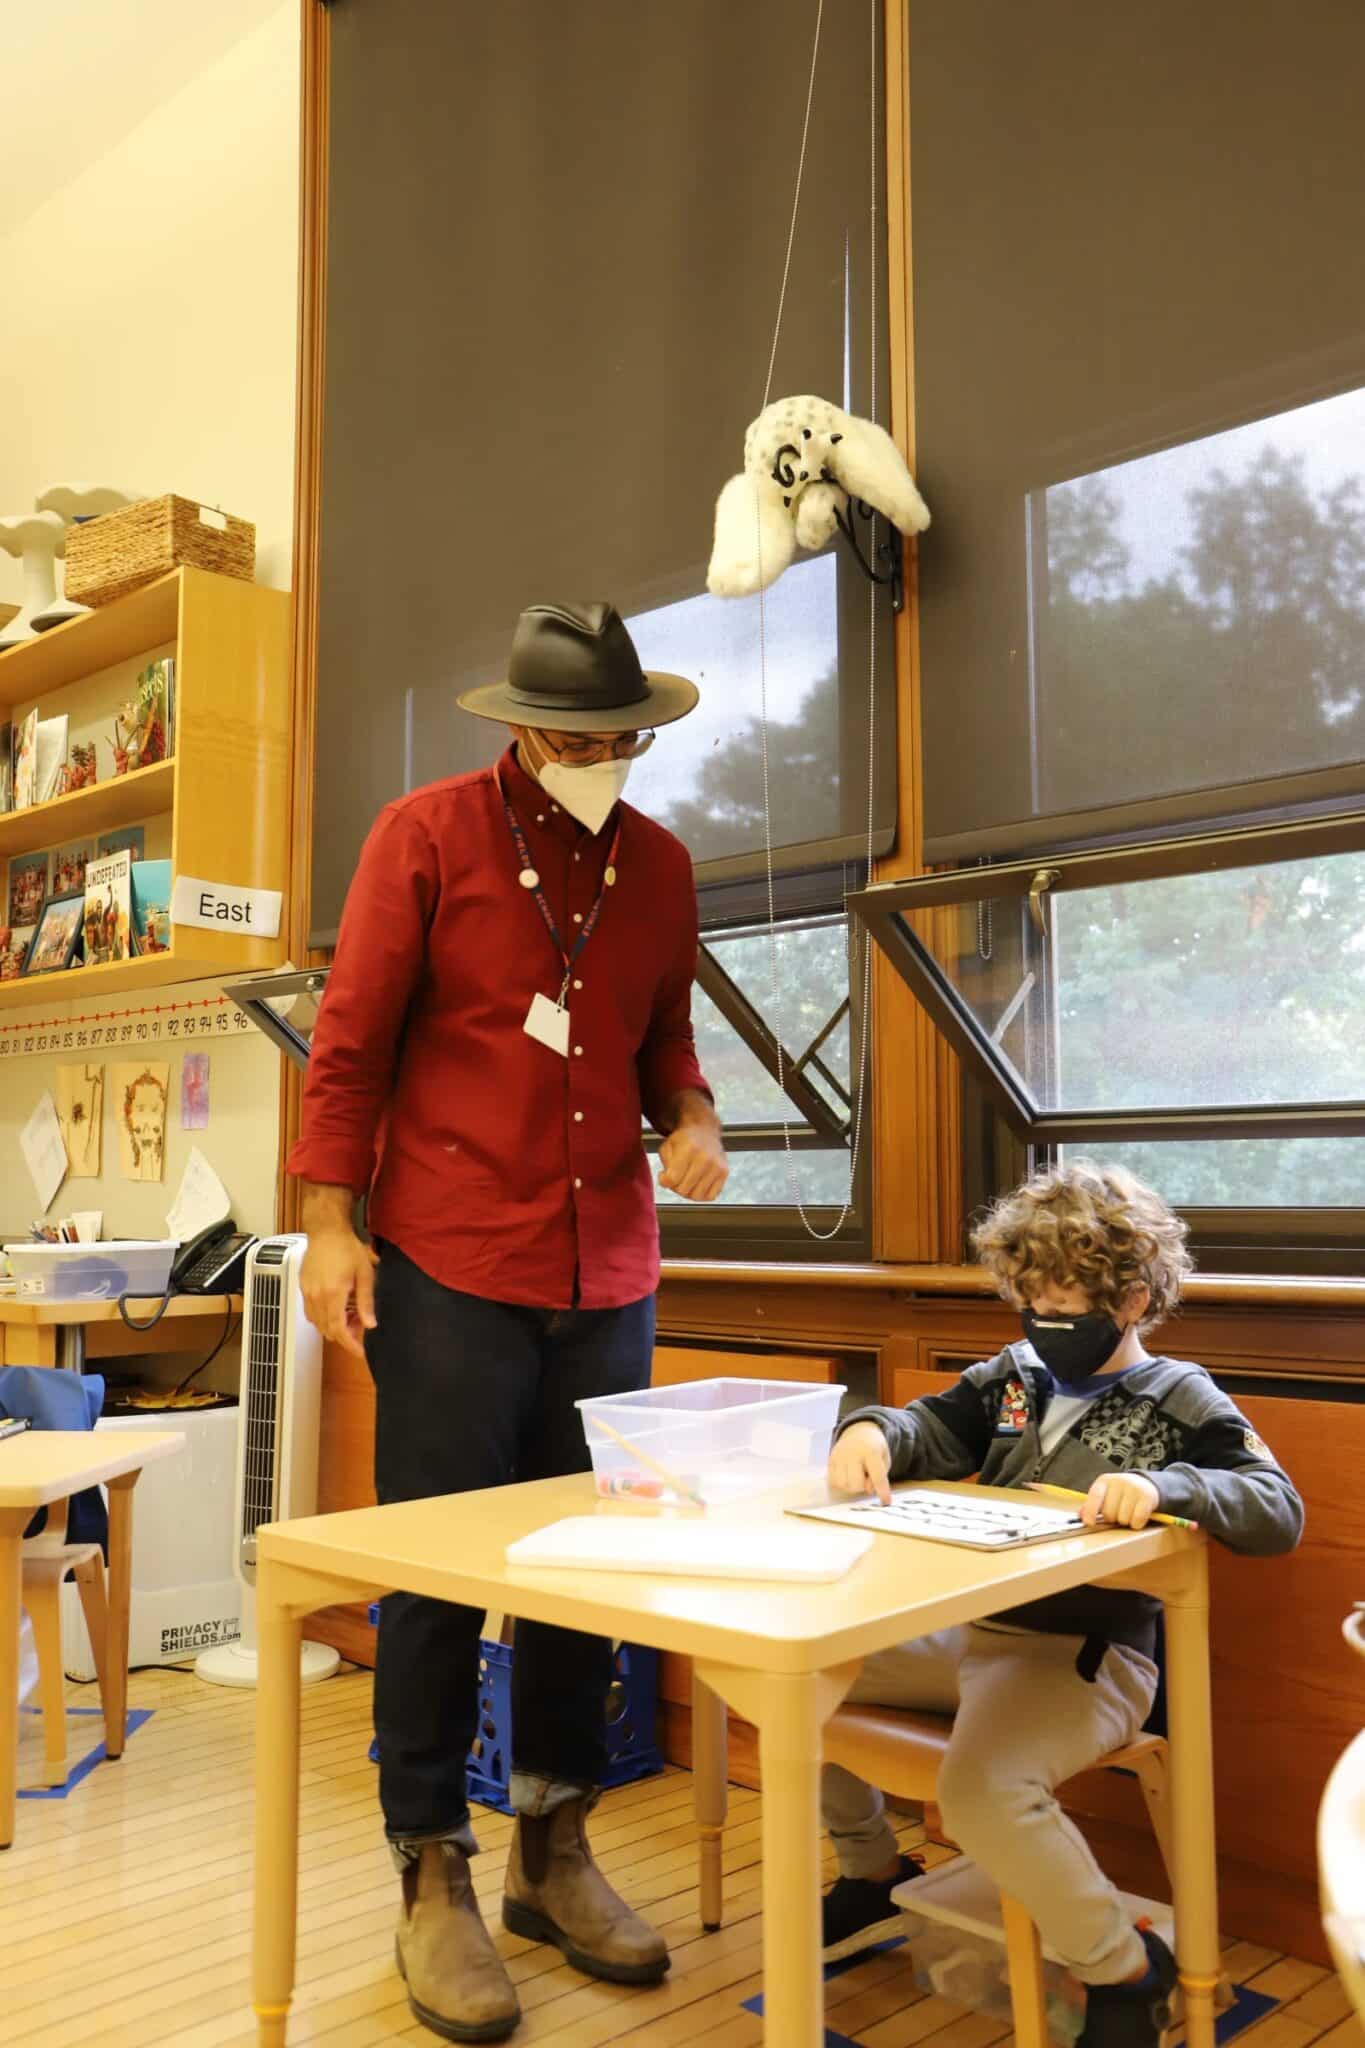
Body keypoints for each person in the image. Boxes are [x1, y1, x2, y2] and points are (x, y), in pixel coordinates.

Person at [289, 600, 728, 2044]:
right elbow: (349, 1043)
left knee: (578, 1573)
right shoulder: (423, 835)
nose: (602, 756)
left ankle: (553, 1844)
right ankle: (431, 1867)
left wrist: (696, 1112)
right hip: (452, 1261)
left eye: (624, 736)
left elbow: (663, 1031)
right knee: (429, 1576)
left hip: (610, 1266)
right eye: (575, 736)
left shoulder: (660, 866)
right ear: (519, 729)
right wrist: (334, 1226)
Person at [821, 1161, 1303, 2048]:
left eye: (1067, 1301)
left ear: (1130, 1297)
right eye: (1030, 1299)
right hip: (973, 1632)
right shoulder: (1015, 1375)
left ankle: (1121, 1966)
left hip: (1085, 1656)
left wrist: (1165, 1486)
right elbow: (930, 1426)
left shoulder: (1177, 1396)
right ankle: (870, 1868)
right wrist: (869, 1429)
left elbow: (1276, 1510)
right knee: (798, 1673)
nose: (1045, 1321)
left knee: (980, 1790)